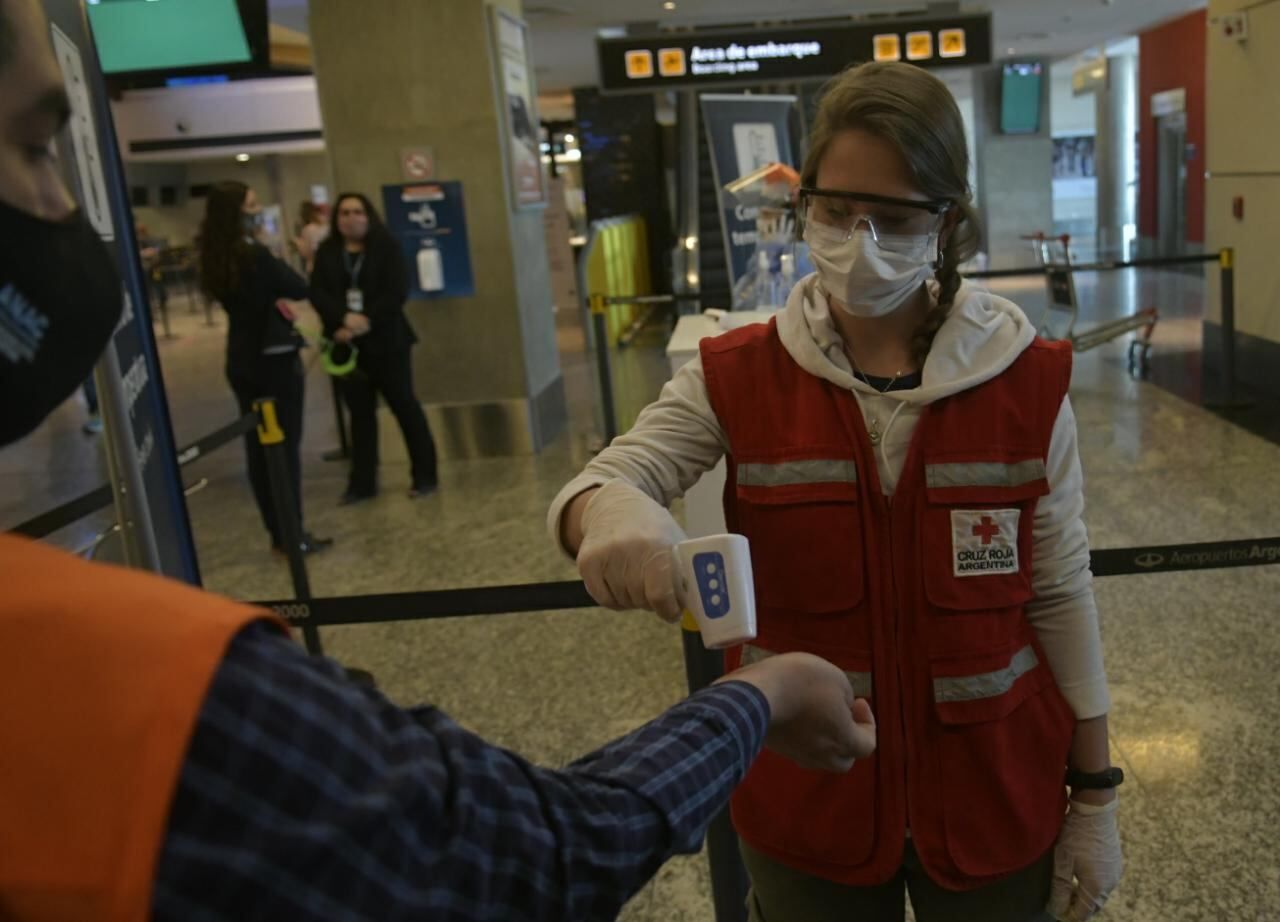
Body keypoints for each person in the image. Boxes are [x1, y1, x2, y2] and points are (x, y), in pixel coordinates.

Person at [0, 2, 877, 917]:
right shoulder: (141, 685)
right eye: (30, 148)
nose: (65, 211)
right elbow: (530, 853)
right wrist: (757, 695)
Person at [550, 62, 1123, 922]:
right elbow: (604, 480)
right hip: (806, 807)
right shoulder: (738, 378)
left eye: (893, 218)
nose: (860, 239)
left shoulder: (1025, 380)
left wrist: (1097, 794)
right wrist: (611, 511)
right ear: (803, 202)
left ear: (947, 222)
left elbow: (1059, 592)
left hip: (994, 798)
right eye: (834, 210)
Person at [199, 180, 332, 556]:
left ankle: (277, 533)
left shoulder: (214, 253)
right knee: (283, 450)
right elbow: (295, 286)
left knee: (258, 451)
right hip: (273, 359)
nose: (257, 210)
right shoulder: (253, 253)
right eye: (252, 204)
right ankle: (293, 533)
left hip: (241, 357)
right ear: (238, 211)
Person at [310, 192, 439, 504]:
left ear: (368, 216)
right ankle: (362, 484)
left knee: (405, 407)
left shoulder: (387, 248)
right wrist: (342, 319)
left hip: (387, 342)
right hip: (347, 346)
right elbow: (318, 293)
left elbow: (397, 291)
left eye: (357, 212)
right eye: (344, 213)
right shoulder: (328, 253)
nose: (351, 218)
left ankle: (424, 476)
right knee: (360, 416)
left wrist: (366, 319)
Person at [293, 199, 329, 275]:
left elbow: (309, 251)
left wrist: (298, 244)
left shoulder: (308, 229)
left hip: (315, 266)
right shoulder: (325, 225)